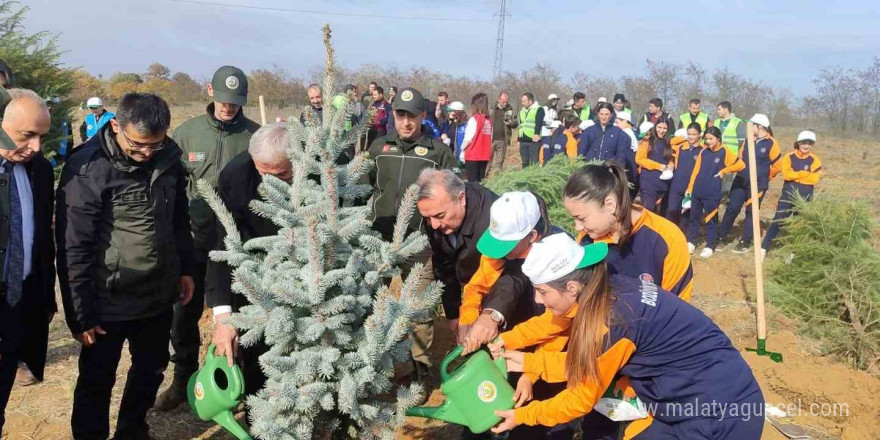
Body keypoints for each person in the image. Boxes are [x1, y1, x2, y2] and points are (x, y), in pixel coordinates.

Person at [489, 233, 765, 439]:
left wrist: (523, 416)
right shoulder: (604, 287)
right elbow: (554, 324)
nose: (539, 299)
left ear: (571, 287)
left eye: (543, 291)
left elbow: (580, 398)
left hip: (719, 412)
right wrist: (509, 344)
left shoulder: (613, 322)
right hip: (693, 398)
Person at [56, 93, 195, 440]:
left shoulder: (169, 157)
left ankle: (133, 431)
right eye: (137, 145)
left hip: (157, 294)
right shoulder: (88, 166)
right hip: (107, 299)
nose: (147, 153)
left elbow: (179, 218)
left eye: (154, 144)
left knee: (151, 370)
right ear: (116, 125)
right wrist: (80, 314)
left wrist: (185, 268)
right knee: (97, 379)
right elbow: (74, 244)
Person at [154, 65, 260, 411]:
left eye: (236, 102)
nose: (229, 107)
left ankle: (237, 385)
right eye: (225, 100)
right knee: (182, 313)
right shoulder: (187, 134)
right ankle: (182, 378)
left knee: (238, 317)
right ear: (210, 91)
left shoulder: (254, 137)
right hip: (194, 241)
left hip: (238, 248)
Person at [368, 87, 455, 380]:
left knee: (419, 310)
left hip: (418, 244)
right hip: (377, 242)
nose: (406, 122)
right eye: (400, 115)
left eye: (412, 116)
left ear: (423, 116)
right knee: (370, 304)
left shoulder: (437, 153)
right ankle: (369, 364)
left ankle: (420, 371)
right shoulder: (379, 148)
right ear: (394, 115)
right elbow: (362, 188)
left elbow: (453, 196)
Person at [207, 123, 292, 414]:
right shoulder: (236, 176)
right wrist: (224, 316)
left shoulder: (324, 168)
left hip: (308, 279)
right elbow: (223, 244)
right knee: (258, 362)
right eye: (263, 173)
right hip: (255, 283)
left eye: (281, 174)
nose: (271, 183)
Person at [0, 88, 56, 434]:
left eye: (41, 137)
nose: (35, 147)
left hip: (17, 306)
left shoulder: (40, 171)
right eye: (26, 135)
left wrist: (44, 296)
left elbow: (41, 241)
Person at [564, 162, 694, 301]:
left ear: (610, 205)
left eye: (581, 218)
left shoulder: (666, 238)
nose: (578, 227)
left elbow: (677, 309)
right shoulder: (586, 240)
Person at [719, 114, 781, 252]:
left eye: (751, 124)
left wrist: (765, 178)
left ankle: (745, 241)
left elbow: (777, 166)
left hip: (758, 183)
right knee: (732, 208)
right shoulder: (748, 141)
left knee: (751, 211)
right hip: (741, 180)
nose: (749, 127)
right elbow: (740, 158)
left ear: (759, 126)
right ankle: (722, 236)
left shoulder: (771, 143)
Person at [684, 126, 745, 258]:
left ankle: (710, 245)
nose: (708, 141)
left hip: (712, 191)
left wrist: (724, 171)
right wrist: (690, 187)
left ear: (718, 138)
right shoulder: (703, 151)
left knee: (711, 219)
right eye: (706, 139)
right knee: (694, 217)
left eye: (711, 139)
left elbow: (741, 165)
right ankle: (691, 242)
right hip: (698, 189)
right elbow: (696, 170)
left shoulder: (724, 151)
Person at [761, 130, 822, 258]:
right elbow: (787, 175)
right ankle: (764, 248)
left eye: (810, 144)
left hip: (805, 198)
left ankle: (793, 253)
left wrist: (797, 175)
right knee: (778, 221)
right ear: (798, 143)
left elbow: (814, 179)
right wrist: (804, 174)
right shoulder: (789, 157)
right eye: (804, 143)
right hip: (787, 197)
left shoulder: (815, 160)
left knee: (800, 225)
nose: (807, 146)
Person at [666, 124, 703, 227]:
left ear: (699, 135)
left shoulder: (702, 150)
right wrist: (682, 138)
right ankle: (671, 231)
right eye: (689, 134)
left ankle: (682, 234)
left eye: (694, 134)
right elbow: (669, 142)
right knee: (672, 209)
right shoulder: (681, 147)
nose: (691, 137)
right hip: (677, 183)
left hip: (691, 185)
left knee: (686, 212)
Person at [635, 119, 675, 212]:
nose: (662, 130)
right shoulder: (647, 141)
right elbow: (639, 159)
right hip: (649, 181)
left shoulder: (669, 142)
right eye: (659, 127)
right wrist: (659, 166)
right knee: (648, 209)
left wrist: (671, 164)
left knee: (656, 210)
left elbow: (671, 157)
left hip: (662, 182)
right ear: (654, 127)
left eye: (665, 128)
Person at [459, 93, 493, 182]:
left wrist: (462, 149)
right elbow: (490, 137)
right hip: (484, 155)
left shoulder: (474, 119)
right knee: (481, 181)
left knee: (473, 182)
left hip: (472, 155)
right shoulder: (489, 120)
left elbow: (468, 138)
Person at [487, 91, 517, 175]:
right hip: (491, 139)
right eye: (503, 101)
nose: (505, 103)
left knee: (499, 162)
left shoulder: (510, 110)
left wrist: (511, 123)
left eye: (506, 101)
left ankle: (497, 179)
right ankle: (484, 178)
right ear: (499, 99)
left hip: (503, 139)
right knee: (488, 160)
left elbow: (516, 123)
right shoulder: (491, 109)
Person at [517, 93, 544, 167]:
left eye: (524, 101)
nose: (522, 103)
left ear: (530, 101)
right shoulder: (522, 111)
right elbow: (521, 125)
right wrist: (519, 139)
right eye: (522, 101)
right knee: (525, 162)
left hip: (533, 140)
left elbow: (539, 122)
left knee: (534, 162)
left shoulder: (539, 109)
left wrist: (536, 134)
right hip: (523, 140)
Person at [615, 110, 639, 191]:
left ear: (625, 121)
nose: (616, 124)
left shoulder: (626, 133)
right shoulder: (631, 132)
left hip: (628, 162)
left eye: (617, 122)